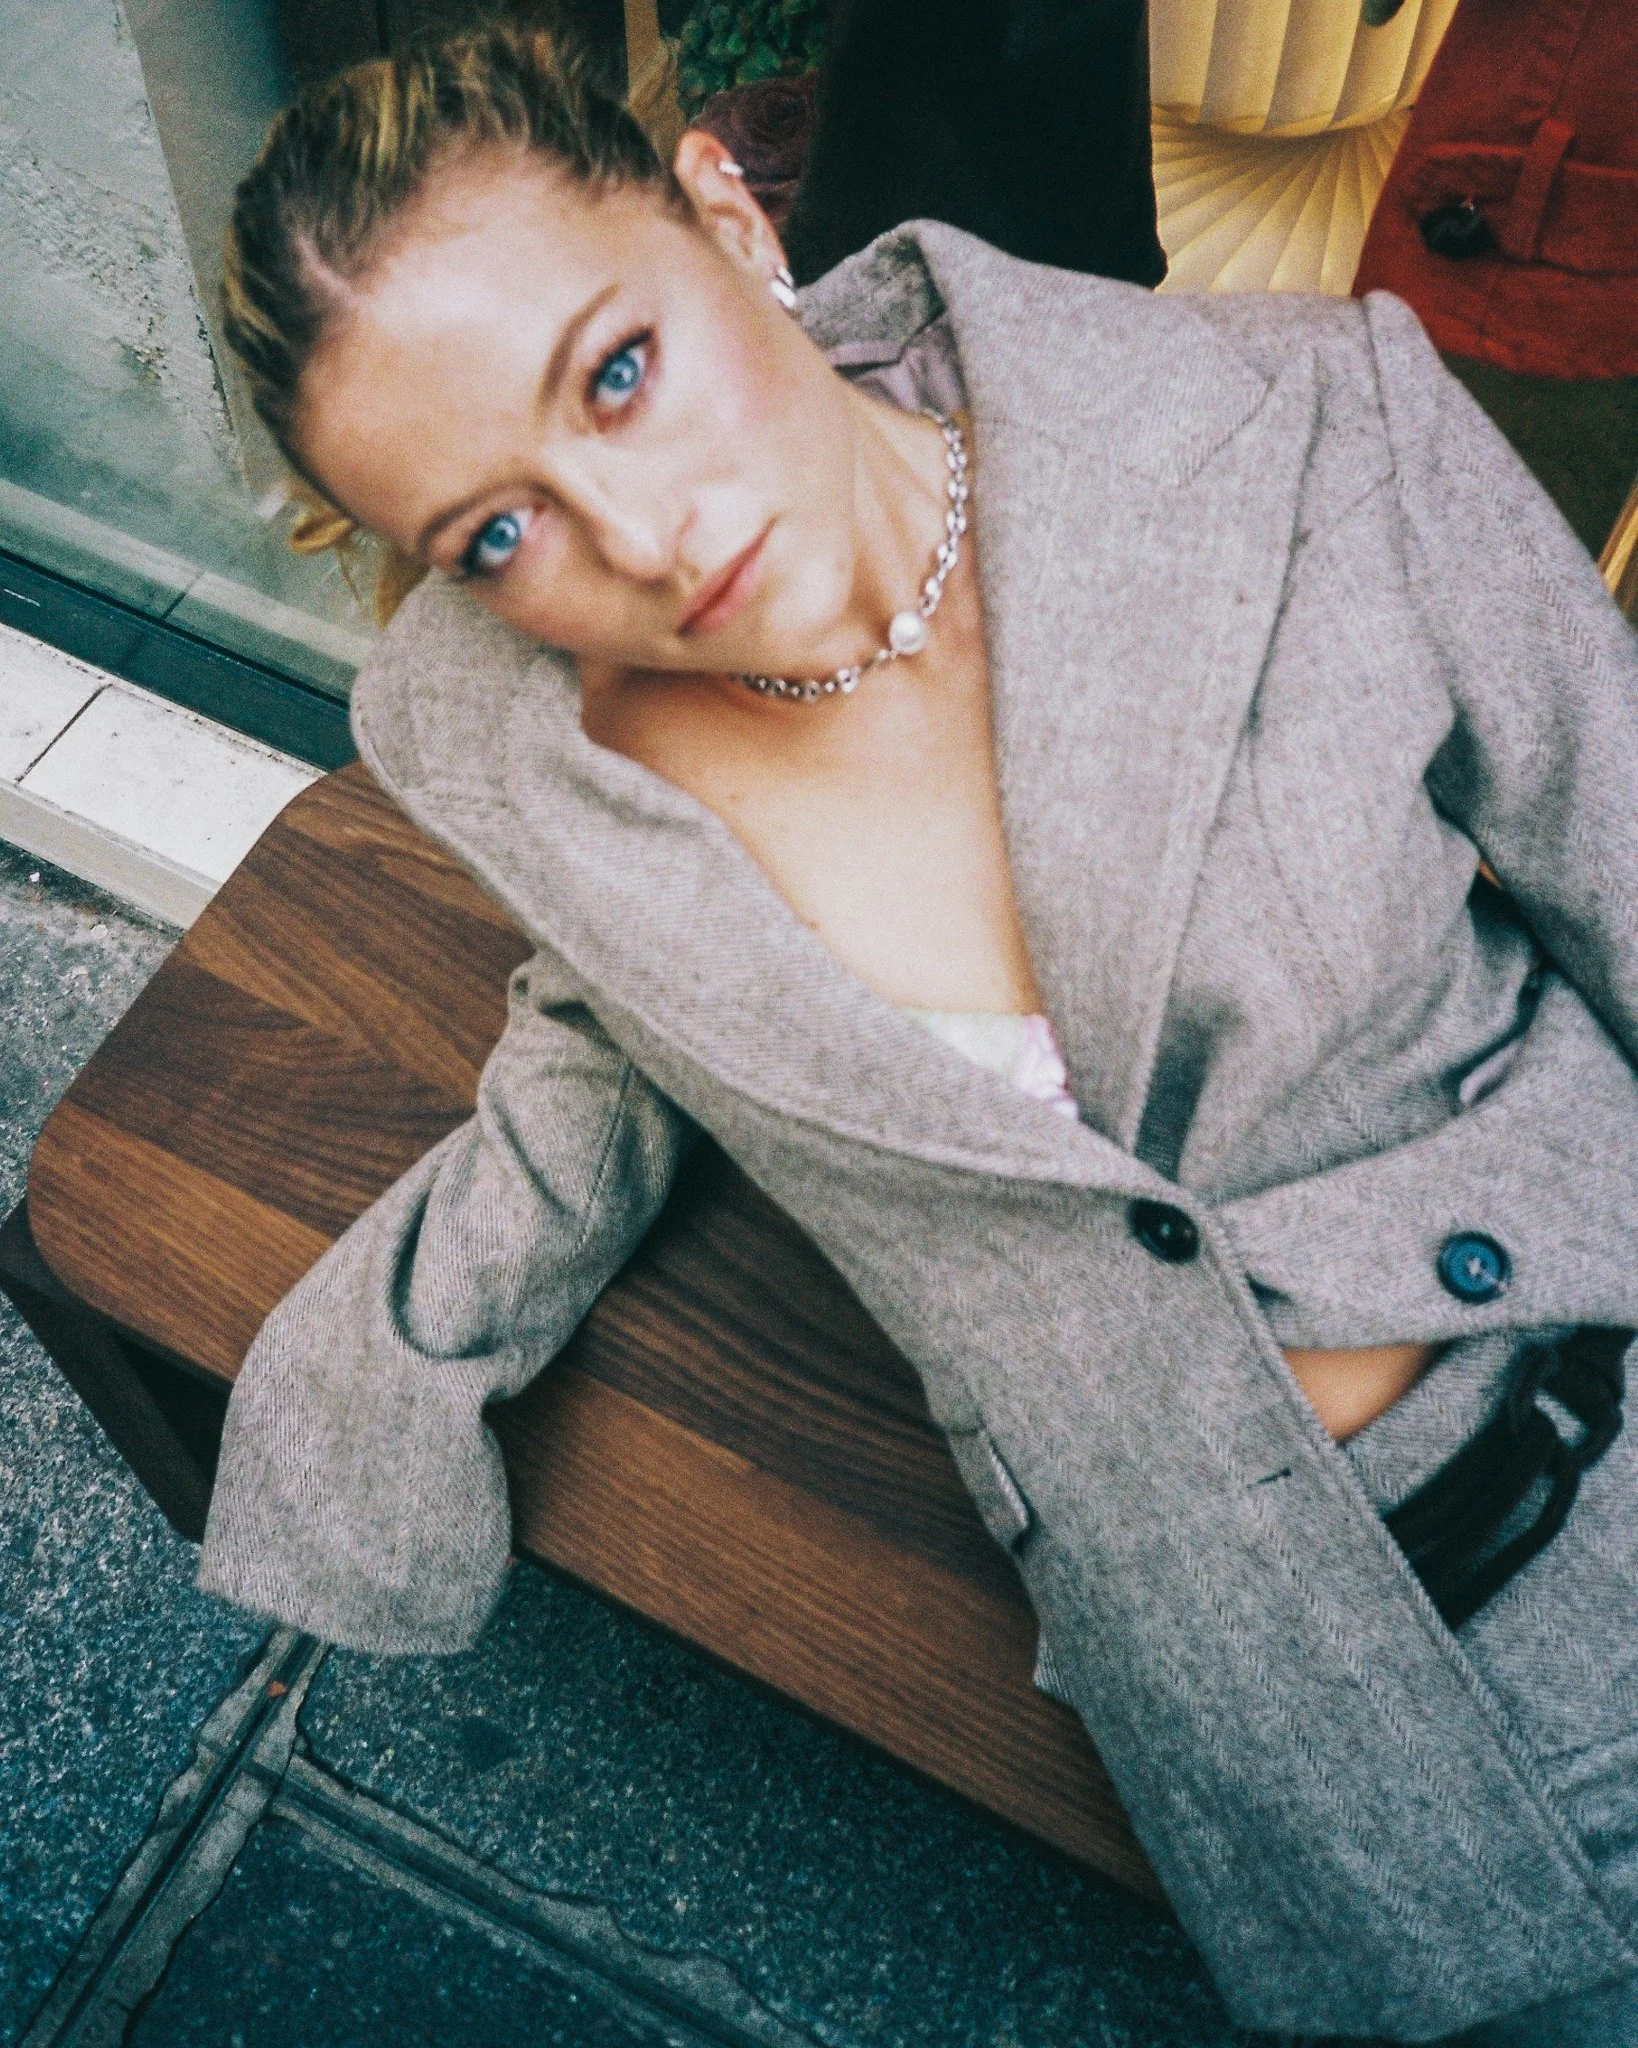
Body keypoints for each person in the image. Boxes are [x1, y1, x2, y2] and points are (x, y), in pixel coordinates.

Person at [199, 27, 1638, 2044]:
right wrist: (381, 1372)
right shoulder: (564, 771)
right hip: (1314, 1750)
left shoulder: (1311, 422)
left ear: (725, 210)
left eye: (617, 371)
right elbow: (621, 1025)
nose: (635, 540)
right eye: (496, 536)